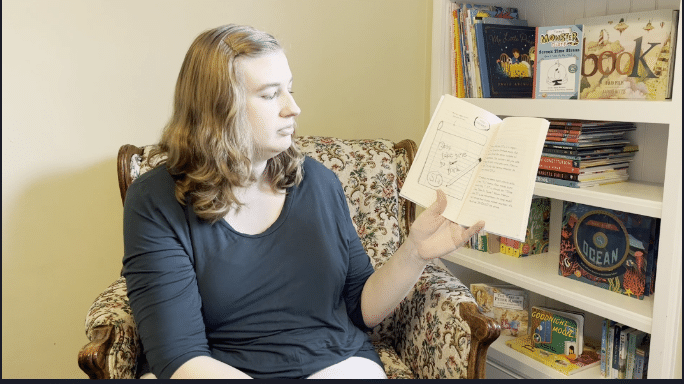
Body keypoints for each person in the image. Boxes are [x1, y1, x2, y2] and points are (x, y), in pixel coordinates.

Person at [122, 24, 485, 379]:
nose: (292, 108)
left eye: (290, 90)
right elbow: (178, 356)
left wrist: (415, 252)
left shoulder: (318, 181)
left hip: (338, 365)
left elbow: (362, 307)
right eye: (270, 95)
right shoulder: (156, 201)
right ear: (217, 108)